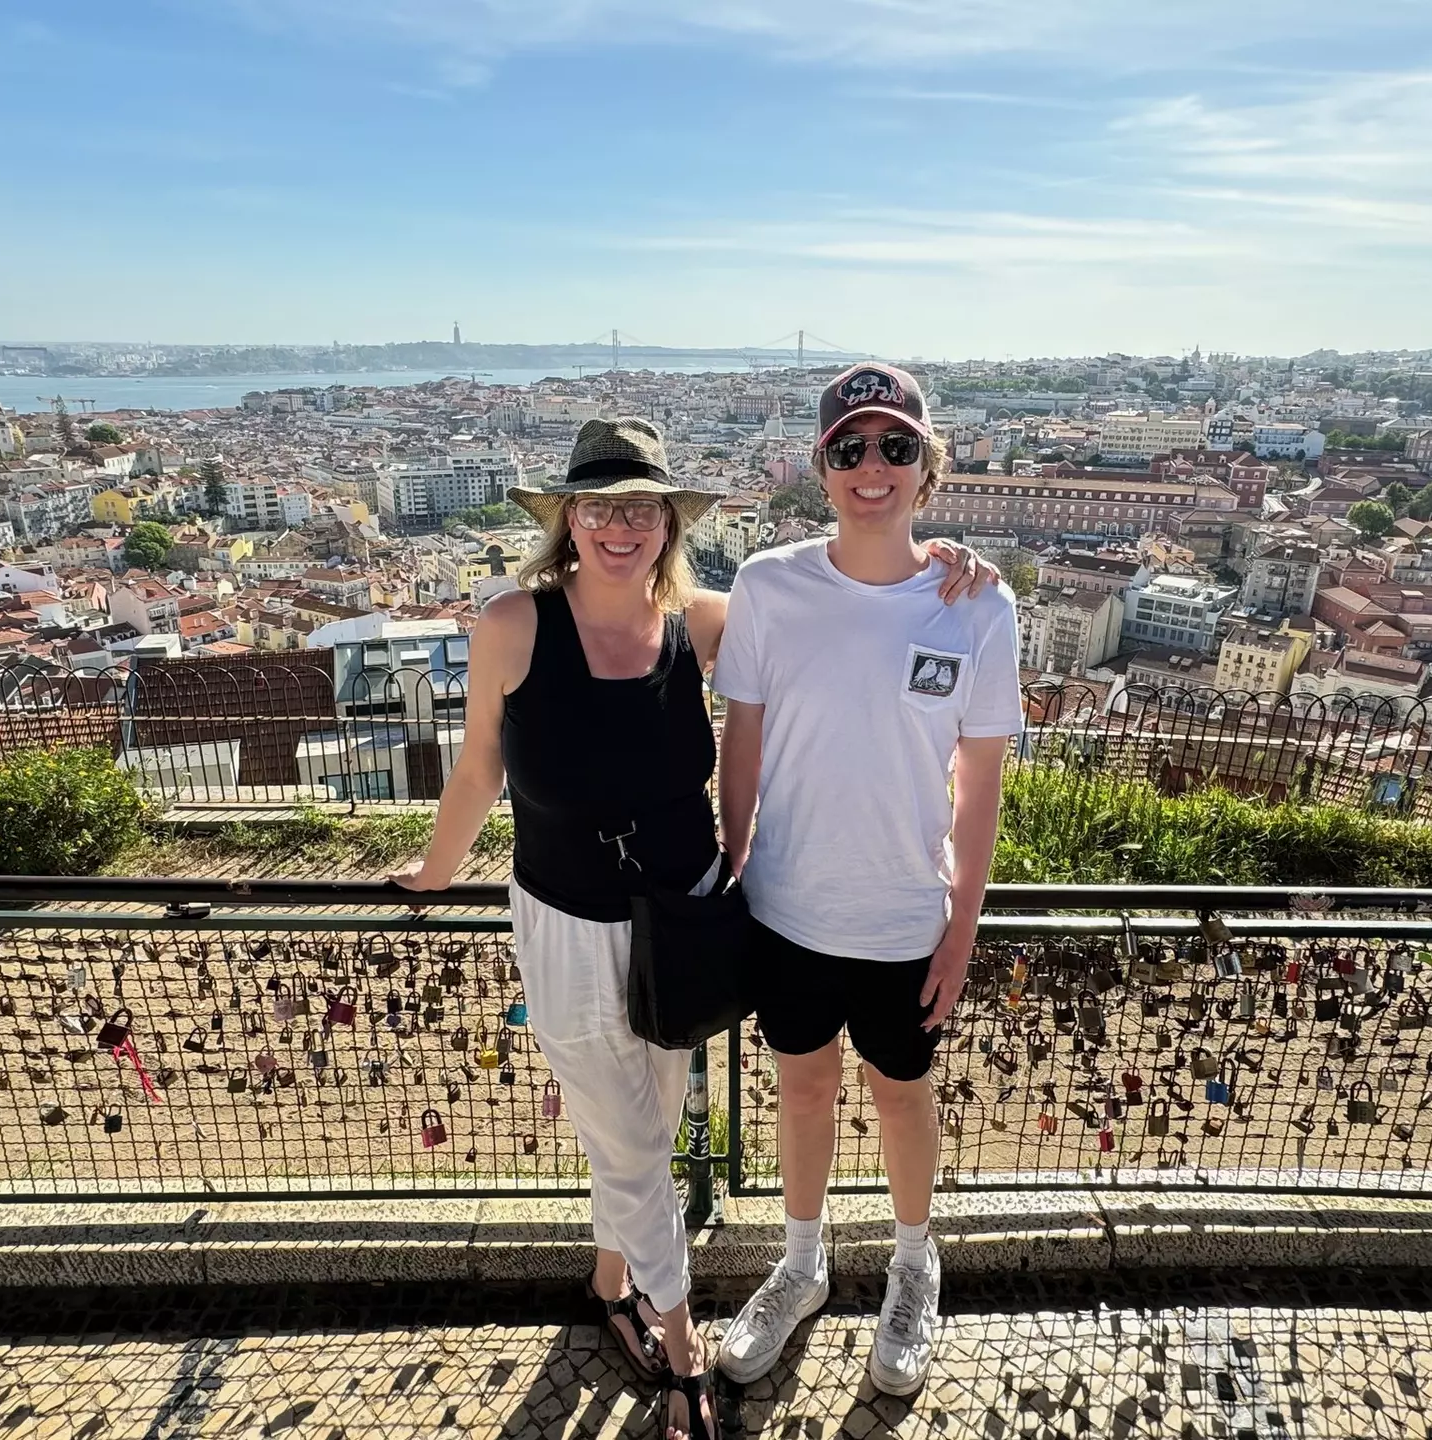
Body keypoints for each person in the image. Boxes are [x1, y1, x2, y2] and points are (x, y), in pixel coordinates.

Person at [389, 416, 994, 1439]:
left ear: (669, 523)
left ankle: (608, 1278)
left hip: (682, 920)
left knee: (647, 1128)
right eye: (599, 506)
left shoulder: (705, 620)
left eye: (641, 507)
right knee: (633, 1148)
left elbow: (840, 607)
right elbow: (481, 767)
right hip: (569, 925)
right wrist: (434, 872)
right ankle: (677, 1354)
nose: (620, 525)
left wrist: (948, 561)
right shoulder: (512, 623)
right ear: (566, 520)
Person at [712, 363, 1023, 1397]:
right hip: (787, 910)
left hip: (903, 915)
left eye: (895, 446)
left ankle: (910, 1264)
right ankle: (801, 1265)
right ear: (822, 470)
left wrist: (962, 929)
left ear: (927, 467)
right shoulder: (768, 586)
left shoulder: (978, 605)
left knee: (902, 1099)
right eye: (850, 449)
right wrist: (733, 872)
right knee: (801, 1089)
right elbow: (741, 749)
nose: (872, 466)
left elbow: (980, 784)